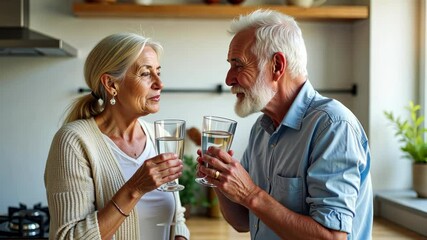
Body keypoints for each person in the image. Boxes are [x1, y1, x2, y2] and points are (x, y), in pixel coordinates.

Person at [197, 10, 373, 240]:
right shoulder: (261, 128)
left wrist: (250, 193)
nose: (229, 79)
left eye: (238, 65)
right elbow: (242, 223)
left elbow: (331, 237)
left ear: (277, 66)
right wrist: (220, 180)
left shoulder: (333, 126)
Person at [44, 33, 190, 240]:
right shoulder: (73, 142)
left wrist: (180, 236)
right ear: (112, 84)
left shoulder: (162, 138)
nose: (160, 83)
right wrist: (135, 188)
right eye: (146, 73)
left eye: (158, 72)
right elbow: (68, 237)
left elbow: (176, 217)